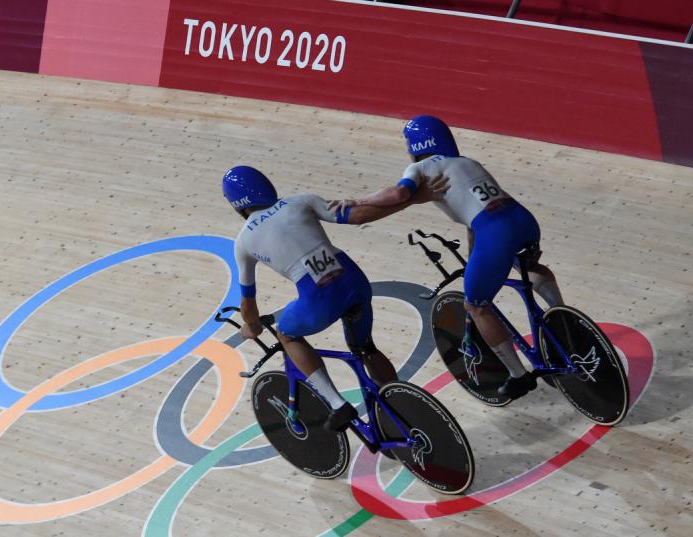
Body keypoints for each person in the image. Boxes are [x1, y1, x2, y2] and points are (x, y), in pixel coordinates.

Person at [330, 115, 564, 400]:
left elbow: (399, 193)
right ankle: (561, 317)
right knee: (527, 265)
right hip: (523, 220)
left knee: (476, 305)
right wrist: (473, 258)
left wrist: (359, 200)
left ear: (416, 145)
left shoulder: (420, 167)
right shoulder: (469, 162)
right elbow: (474, 217)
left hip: (494, 233)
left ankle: (519, 376)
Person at [222, 165, 448, 431]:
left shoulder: (244, 241)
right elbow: (359, 216)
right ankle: (401, 406)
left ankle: (338, 405)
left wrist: (252, 325)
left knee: (286, 333)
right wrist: (413, 199)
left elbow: (248, 301)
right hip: (354, 281)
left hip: (319, 300)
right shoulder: (299, 201)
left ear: (237, 204)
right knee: (365, 349)